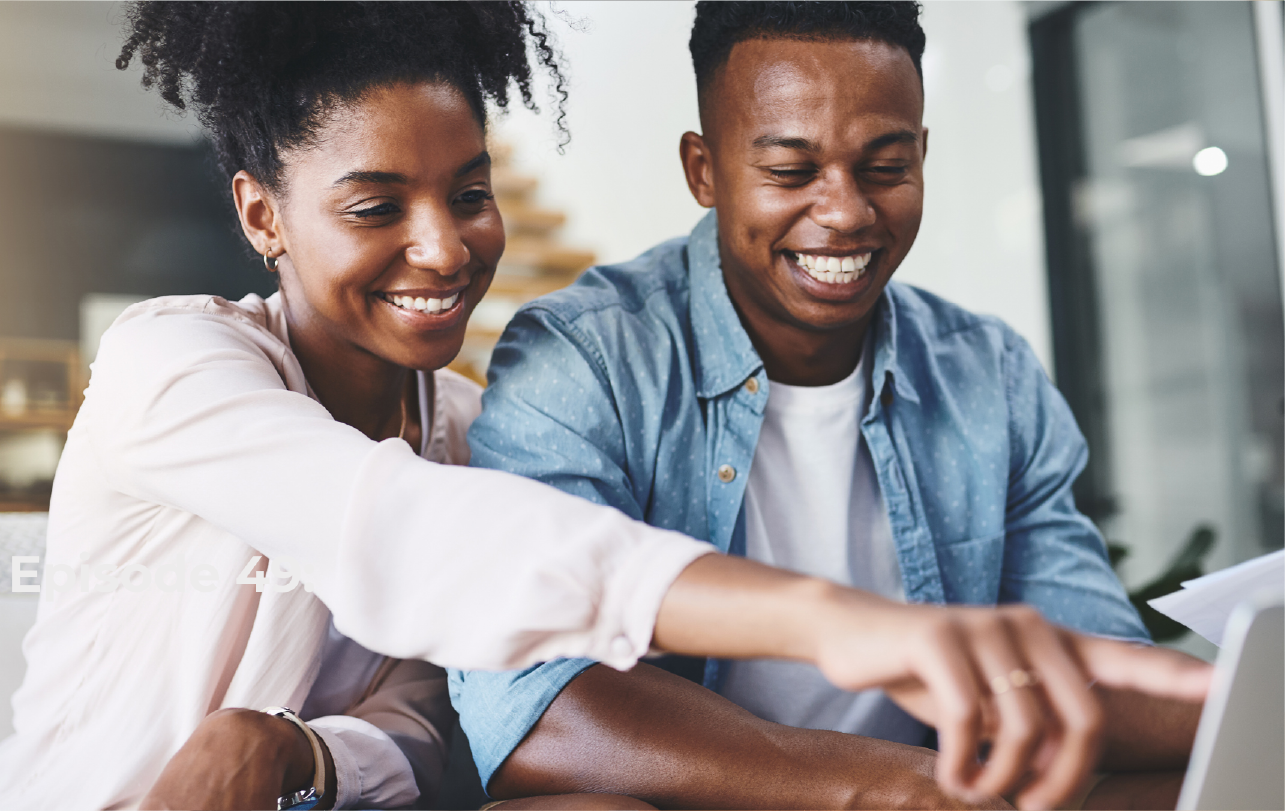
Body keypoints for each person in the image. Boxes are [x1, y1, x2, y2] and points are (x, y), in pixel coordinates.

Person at [0, 3, 1208, 811]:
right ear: (260, 215)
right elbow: (416, 541)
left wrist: (292, 748)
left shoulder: (457, 426)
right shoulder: (170, 367)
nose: (444, 249)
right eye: (375, 205)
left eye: (469, 191)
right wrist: (838, 626)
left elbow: (433, 717)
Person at [448, 3, 1208, 810]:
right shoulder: (586, 358)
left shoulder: (987, 373)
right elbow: (532, 709)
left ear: (921, 155)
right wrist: (879, 787)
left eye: (884, 167)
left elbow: (1085, 659)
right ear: (703, 170)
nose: (845, 212)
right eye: (789, 170)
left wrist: (1236, 694)